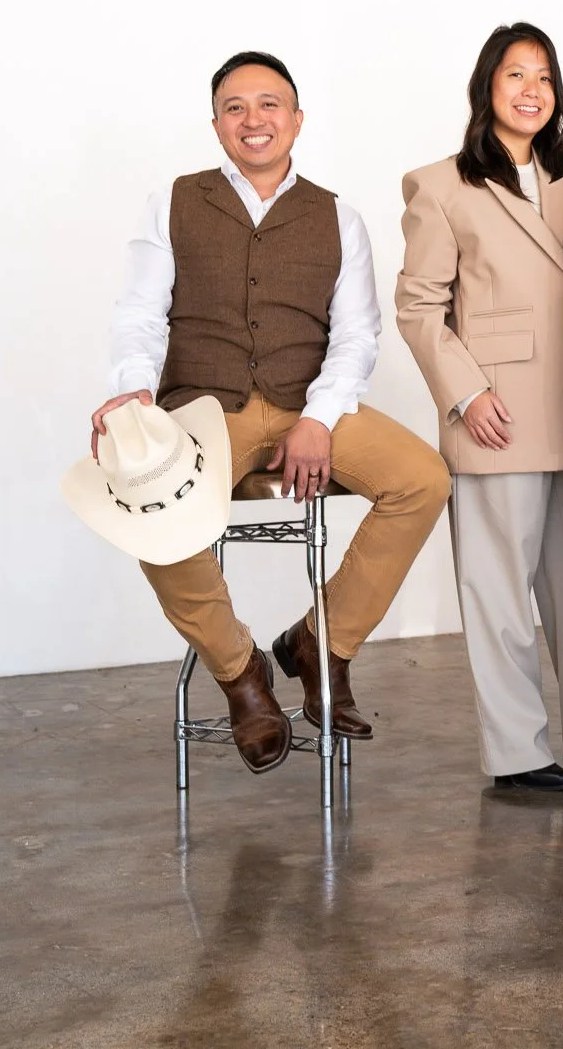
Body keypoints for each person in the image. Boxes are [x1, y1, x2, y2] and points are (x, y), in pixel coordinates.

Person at [85, 51, 450, 773]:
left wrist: (319, 418)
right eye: (235, 107)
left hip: (306, 402)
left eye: (269, 104)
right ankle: (241, 672)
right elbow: (140, 311)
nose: (253, 120)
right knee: (146, 507)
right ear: (217, 123)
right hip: (203, 407)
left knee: (423, 479)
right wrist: (134, 388)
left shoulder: (337, 216)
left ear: (297, 119)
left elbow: (356, 335)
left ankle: (320, 645)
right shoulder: (173, 202)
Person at [396, 23, 563, 793]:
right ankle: (518, 751)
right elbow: (419, 306)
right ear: (487, 86)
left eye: (544, 76)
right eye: (515, 74)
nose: (531, 90)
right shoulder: (441, 186)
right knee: (499, 590)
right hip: (497, 411)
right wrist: (466, 392)